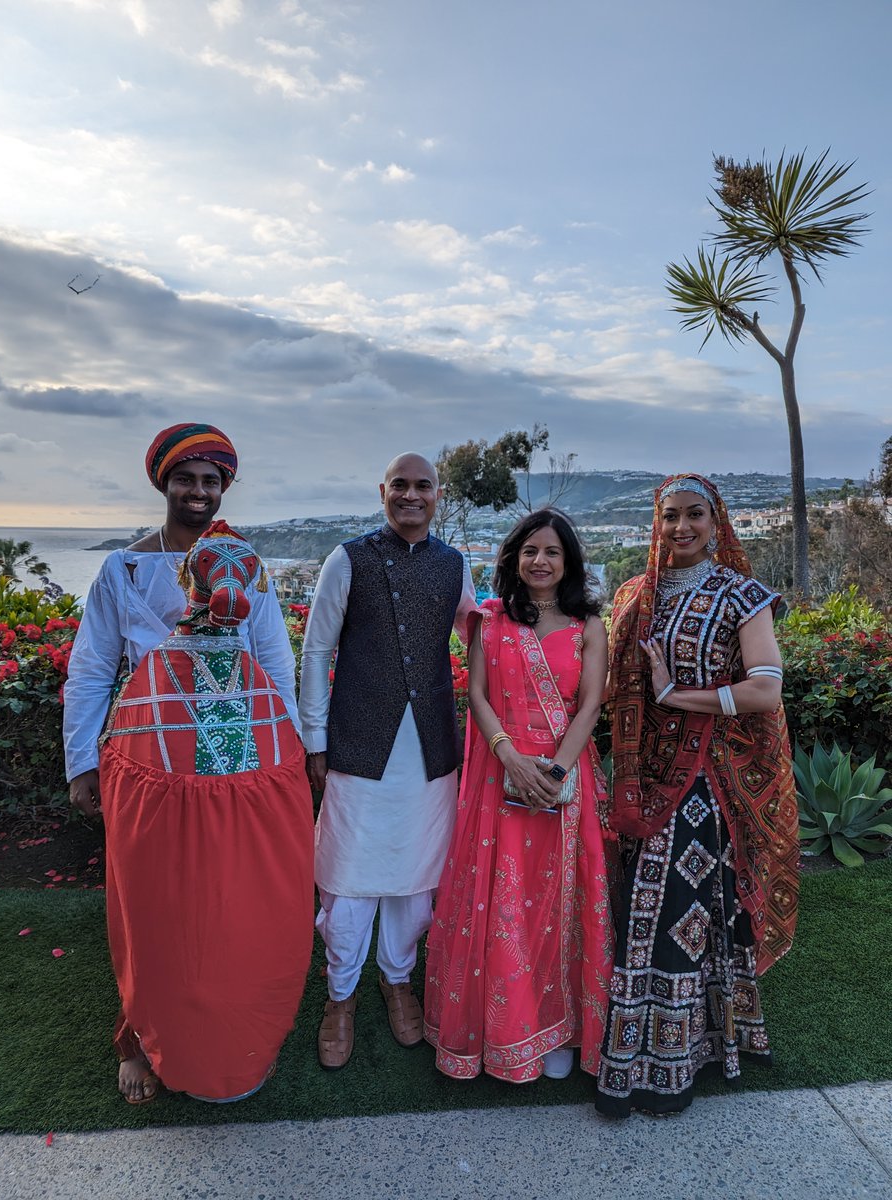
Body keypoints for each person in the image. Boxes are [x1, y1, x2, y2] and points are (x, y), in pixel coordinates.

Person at [64, 422, 301, 1102]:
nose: (198, 491)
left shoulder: (243, 566)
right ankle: (138, 1036)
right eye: (186, 478)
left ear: (223, 488)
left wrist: (288, 756)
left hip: (238, 759)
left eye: (211, 480)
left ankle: (237, 1033)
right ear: (164, 482)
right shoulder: (124, 569)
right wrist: (83, 761)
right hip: (149, 760)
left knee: (233, 905)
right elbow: (89, 672)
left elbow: (273, 663)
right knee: (151, 905)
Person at [596, 472, 799, 1118]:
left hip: (703, 782)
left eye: (694, 516)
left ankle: (661, 1067)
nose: (681, 528)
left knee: (673, 911)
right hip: (641, 777)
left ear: (717, 524)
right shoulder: (635, 595)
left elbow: (766, 687)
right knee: (649, 908)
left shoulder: (743, 596)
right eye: (669, 516)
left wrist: (676, 695)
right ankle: (690, 1045)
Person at [100, 522, 313, 1102]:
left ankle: (154, 1042)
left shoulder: (150, 683)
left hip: (199, 773)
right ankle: (171, 1043)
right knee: (244, 914)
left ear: (185, 583)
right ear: (250, 587)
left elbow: (124, 786)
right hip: (234, 761)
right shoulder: (248, 692)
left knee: (158, 914)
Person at [424, 508, 615, 1083]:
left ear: (568, 561)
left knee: (560, 903)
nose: (540, 561)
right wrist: (509, 755)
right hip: (498, 778)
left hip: (563, 781)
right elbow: (477, 697)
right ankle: (503, 1034)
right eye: (530, 550)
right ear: (514, 558)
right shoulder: (491, 619)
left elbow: (590, 705)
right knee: (501, 902)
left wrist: (554, 773)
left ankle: (559, 1026)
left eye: (552, 552)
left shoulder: (588, 624)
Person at [299, 452, 476, 1070]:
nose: (410, 495)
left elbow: (482, 643)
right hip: (356, 744)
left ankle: (397, 980)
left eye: (421, 486)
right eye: (399, 485)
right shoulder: (346, 560)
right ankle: (340, 997)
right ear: (383, 492)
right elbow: (317, 650)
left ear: (437, 494)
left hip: (429, 752)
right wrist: (315, 740)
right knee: (345, 878)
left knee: (417, 879)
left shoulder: (455, 565)